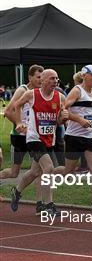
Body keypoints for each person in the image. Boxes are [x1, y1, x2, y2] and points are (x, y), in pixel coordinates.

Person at [9, 69, 69, 217]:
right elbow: (16, 105)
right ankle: (49, 205)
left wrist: (64, 118)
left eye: (57, 78)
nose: (56, 81)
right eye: (52, 78)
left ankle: (16, 192)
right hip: (33, 138)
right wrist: (19, 122)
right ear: (43, 80)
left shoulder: (60, 97)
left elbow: (59, 120)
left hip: (49, 139)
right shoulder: (32, 94)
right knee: (48, 167)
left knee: (36, 172)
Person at [63, 64, 92, 214]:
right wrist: (78, 120)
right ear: (84, 75)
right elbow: (63, 110)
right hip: (74, 137)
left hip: (90, 137)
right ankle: (49, 172)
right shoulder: (77, 90)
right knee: (68, 171)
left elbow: (90, 114)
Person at [1, 65, 47, 214]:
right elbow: (7, 111)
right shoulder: (23, 90)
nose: (41, 80)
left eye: (42, 77)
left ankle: (40, 204)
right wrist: (20, 124)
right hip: (19, 137)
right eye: (38, 77)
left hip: (34, 138)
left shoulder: (40, 93)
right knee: (14, 172)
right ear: (30, 78)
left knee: (40, 169)